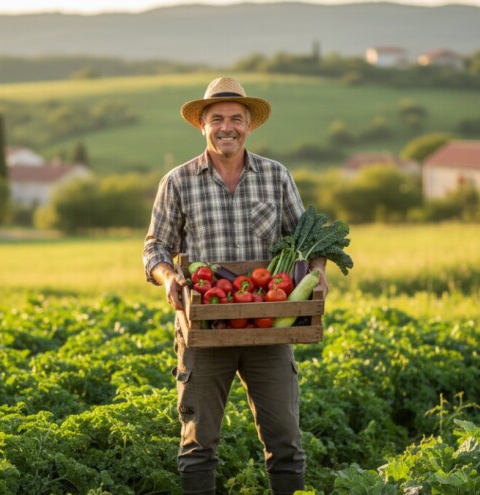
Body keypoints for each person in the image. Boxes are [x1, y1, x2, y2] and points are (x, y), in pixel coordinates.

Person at [142, 77, 328, 495]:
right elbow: (155, 247)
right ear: (202, 125)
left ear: (249, 125)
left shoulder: (276, 177)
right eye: (217, 119)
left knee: (286, 443)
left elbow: (309, 238)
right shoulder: (178, 181)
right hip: (205, 327)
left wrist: (317, 269)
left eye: (236, 119)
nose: (227, 127)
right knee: (197, 445)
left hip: (269, 325)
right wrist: (168, 276)